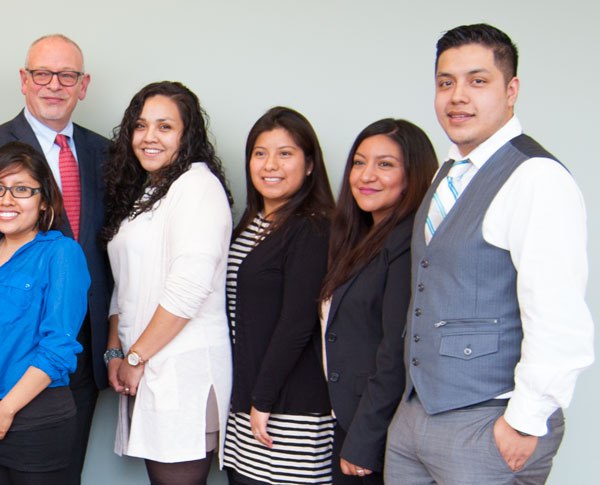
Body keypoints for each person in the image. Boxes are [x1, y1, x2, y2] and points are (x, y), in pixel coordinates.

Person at [384, 23, 594, 483]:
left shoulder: (536, 178)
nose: (458, 96)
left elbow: (558, 315)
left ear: (511, 89)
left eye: (477, 81)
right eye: (446, 82)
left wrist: (524, 421)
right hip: (417, 414)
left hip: (486, 421)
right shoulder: (450, 173)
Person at [0, 33, 110, 484]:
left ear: (83, 85)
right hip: (2, 354)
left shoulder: (105, 152)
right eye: (42, 73)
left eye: (67, 75)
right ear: (24, 80)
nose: (53, 85)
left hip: (80, 348)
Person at [103, 81, 232, 485]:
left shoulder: (197, 186)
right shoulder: (150, 192)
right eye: (141, 127)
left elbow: (189, 287)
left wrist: (136, 357)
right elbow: (125, 282)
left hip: (182, 368)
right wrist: (114, 351)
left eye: (165, 127)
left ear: (187, 134)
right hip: (145, 362)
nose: (149, 137)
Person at [0, 141, 90, 484]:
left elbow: (58, 348)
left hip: (35, 419)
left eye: (22, 189)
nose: (7, 200)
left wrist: (7, 409)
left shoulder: (61, 253)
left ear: (43, 201)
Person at [220, 106, 336, 485]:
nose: (270, 164)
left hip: (286, 409)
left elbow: (298, 322)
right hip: (249, 400)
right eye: (260, 153)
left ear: (309, 165)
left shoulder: (312, 227)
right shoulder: (253, 222)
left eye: (285, 153)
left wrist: (263, 399)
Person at [318, 119, 437, 484]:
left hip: (374, 432)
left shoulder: (406, 244)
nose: (366, 175)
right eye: (358, 162)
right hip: (350, 418)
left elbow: (396, 351)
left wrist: (364, 440)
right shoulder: (362, 238)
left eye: (385, 164)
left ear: (413, 175)